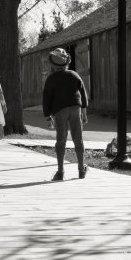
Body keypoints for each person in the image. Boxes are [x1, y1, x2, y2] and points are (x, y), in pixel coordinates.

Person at [43, 48, 89, 180]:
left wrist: (48, 117)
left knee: (61, 140)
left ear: (53, 65)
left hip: (60, 110)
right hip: (75, 108)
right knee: (78, 139)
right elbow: (83, 94)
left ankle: (60, 172)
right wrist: (84, 113)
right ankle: (81, 170)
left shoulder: (51, 79)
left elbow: (47, 98)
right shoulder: (74, 75)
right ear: (67, 63)